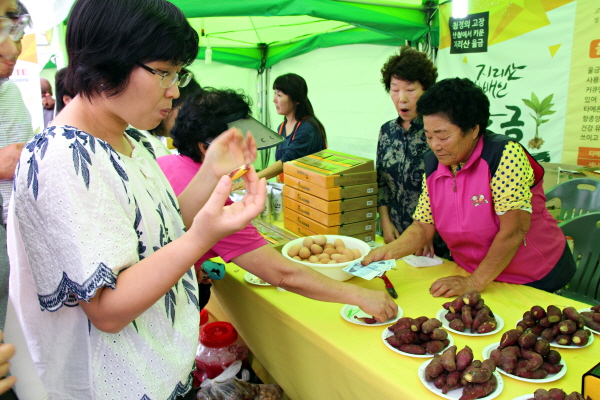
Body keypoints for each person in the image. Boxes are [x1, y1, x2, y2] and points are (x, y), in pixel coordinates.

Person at [7, 0, 268, 399]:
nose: (175, 90)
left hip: (156, 368)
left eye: (179, 73)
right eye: (163, 72)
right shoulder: (62, 156)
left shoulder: (133, 138)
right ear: (105, 59)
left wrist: (210, 170)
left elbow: (159, 231)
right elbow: (108, 309)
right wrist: (201, 238)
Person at [158, 87, 397, 316]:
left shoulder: (162, 164)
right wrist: (360, 296)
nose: (248, 158)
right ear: (205, 148)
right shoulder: (216, 205)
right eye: (238, 146)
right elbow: (283, 274)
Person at [363, 78, 576, 298]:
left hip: (533, 277)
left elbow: (514, 230)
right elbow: (422, 226)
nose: (435, 145)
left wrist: (475, 281)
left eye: (443, 136)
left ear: (474, 129)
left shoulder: (502, 155)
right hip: (474, 275)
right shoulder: (434, 164)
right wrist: (384, 253)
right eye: (428, 136)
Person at [376, 46, 448, 258]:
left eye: (410, 89)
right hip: (393, 234)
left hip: (432, 242)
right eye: (395, 89)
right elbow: (381, 182)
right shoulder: (387, 131)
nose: (402, 98)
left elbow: (448, 190)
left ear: (426, 90)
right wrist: (385, 222)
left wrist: (424, 234)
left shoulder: (439, 133)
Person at [233, 73, 326, 189]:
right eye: (274, 93)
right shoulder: (282, 127)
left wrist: (254, 179)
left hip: (309, 192)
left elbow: (287, 162)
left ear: (296, 100)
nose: (274, 100)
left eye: (279, 95)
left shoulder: (307, 128)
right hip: (289, 189)